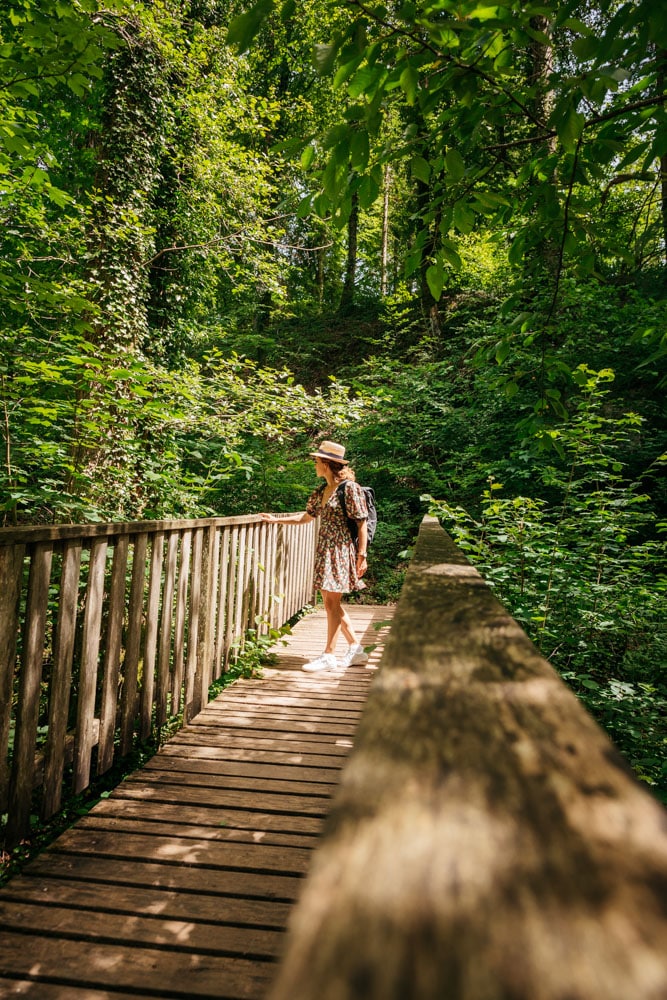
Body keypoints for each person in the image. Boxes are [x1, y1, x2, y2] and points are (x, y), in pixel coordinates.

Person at [260, 441, 369, 672]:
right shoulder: (322, 490)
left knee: (332, 603)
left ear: (328, 464)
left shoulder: (349, 488)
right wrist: (276, 519)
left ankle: (329, 655)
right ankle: (356, 650)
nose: (315, 465)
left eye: (317, 461)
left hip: (340, 550)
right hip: (325, 550)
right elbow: (307, 517)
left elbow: (362, 522)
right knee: (331, 603)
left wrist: (362, 555)